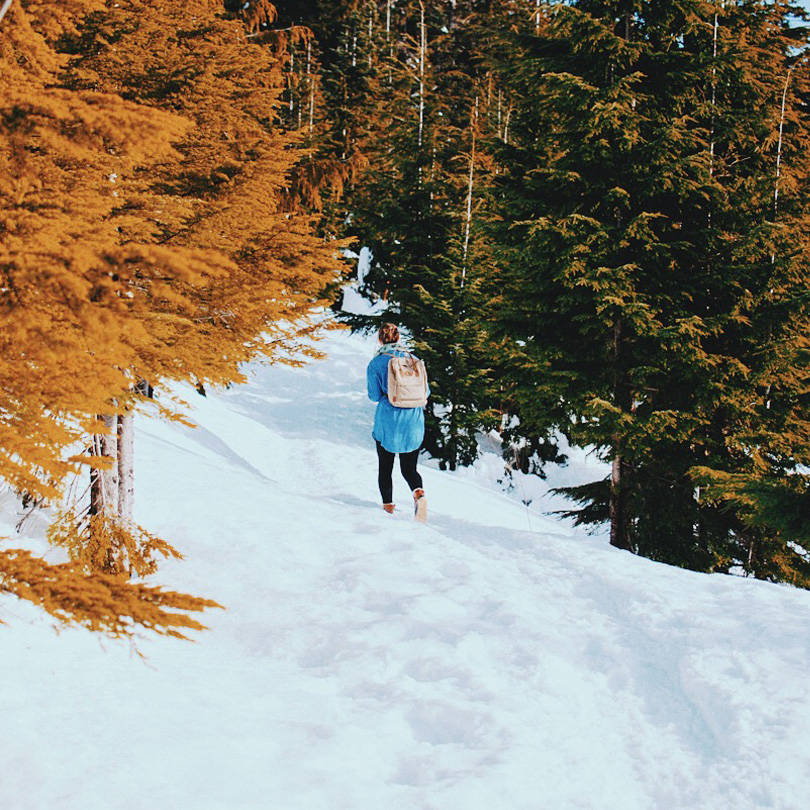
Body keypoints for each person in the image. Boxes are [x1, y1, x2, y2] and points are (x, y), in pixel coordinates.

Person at [366, 322, 428, 517]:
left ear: (380, 339)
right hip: (414, 421)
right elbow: (426, 391)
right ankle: (419, 494)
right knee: (409, 468)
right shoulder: (414, 359)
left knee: (386, 468)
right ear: (398, 338)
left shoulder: (376, 363)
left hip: (389, 421)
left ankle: (388, 508)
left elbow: (374, 396)